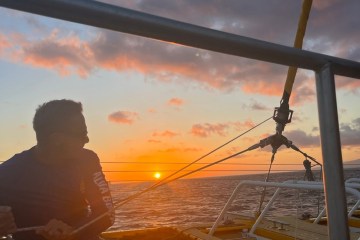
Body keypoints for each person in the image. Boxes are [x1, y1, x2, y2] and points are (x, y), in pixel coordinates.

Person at [0, 99, 114, 240]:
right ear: (57, 139)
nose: (87, 139)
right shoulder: (7, 173)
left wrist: (74, 232)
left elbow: (106, 215)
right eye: (81, 133)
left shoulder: (87, 160)